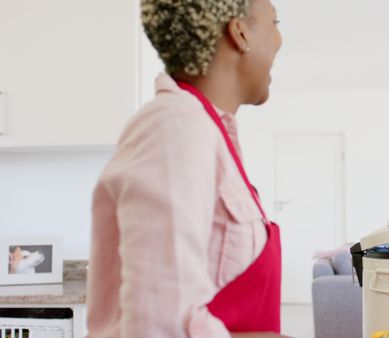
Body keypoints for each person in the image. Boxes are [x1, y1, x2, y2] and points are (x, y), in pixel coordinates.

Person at [86, 0, 286, 337]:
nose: (279, 39)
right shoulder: (176, 127)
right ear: (239, 33)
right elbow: (158, 326)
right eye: (274, 22)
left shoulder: (204, 129)